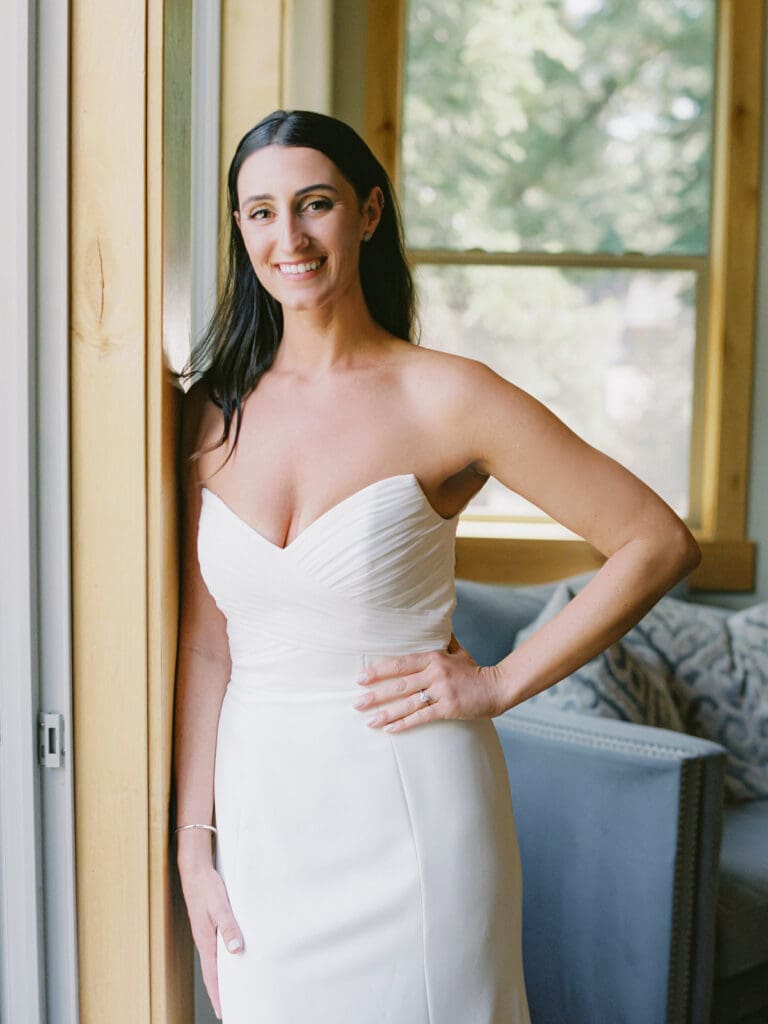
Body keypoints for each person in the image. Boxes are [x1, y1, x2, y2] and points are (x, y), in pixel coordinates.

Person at [172, 109, 700, 1023]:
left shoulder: (448, 395)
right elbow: (209, 648)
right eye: (258, 212)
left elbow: (655, 540)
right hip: (264, 815)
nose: (287, 237)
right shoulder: (209, 416)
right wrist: (192, 844)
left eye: (315, 204)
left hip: (416, 801)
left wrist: (498, 684)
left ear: (368, 213)